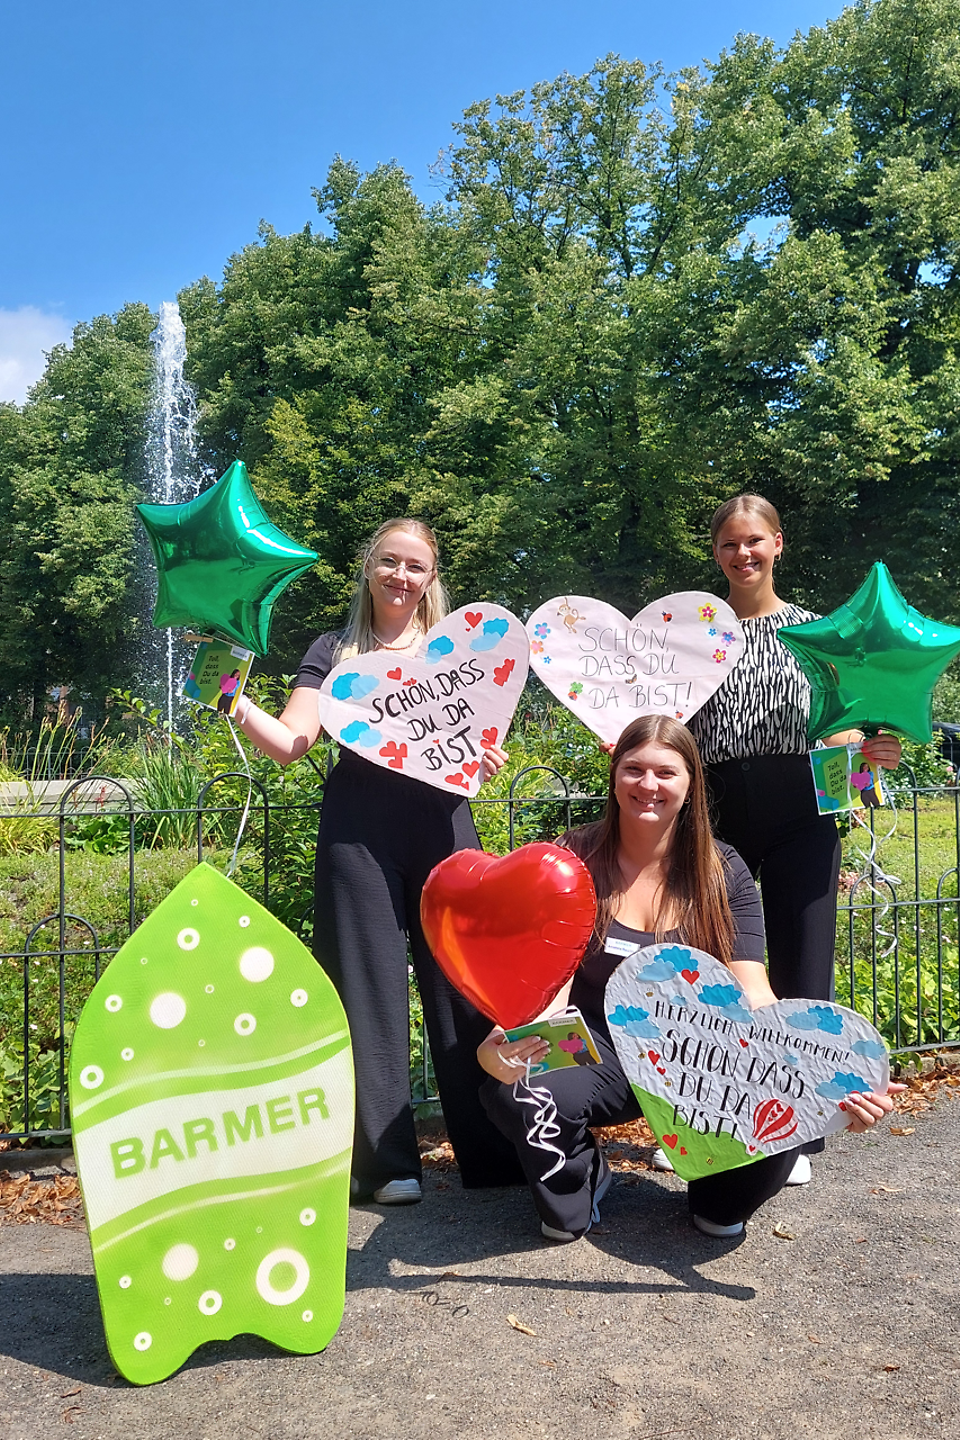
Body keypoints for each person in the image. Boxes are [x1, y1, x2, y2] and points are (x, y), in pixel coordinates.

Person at [478, 716, 902, 1243]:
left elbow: (755, 994)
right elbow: (554, 988)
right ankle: (585, 1180)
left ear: (691, 783)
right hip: (599, 1045)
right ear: (614, 777)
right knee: (523, 1097)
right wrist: (509, 1050)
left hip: (700, 1057)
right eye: (633, 769)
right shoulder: (575, 859)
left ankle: (719, 1196)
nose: (648, 785)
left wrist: (829, 1085)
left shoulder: (723, 871)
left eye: (665, 772)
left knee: (728, 1207)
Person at [231, 518, 525, 1204]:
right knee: (366, 993)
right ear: (369, 567)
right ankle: (386, 1164)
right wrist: (231, 698)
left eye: (414, 566)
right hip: (358, 831)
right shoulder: (335, 651)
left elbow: (482, 734)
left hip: (446, 825)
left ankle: (492, 1152)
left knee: (463, 986)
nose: (400, 576)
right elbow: (292, 742)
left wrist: (484, 752)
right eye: (389, 562)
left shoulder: (458, 654)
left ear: (431, 579)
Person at [685, 494, 902, 1184]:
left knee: (804, 973)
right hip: (713, 817)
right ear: (715, 553)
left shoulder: (818, 632)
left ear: (778, 543)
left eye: (754, 541)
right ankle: (712, 1119)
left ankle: (798, 1131)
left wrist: (875, 747)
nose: (742, 554)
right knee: (714, 974)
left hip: (804, 812)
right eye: (728, 544)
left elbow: (857, 725)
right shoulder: (695, 634)